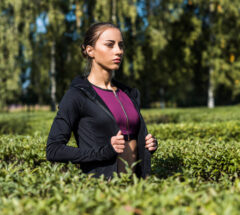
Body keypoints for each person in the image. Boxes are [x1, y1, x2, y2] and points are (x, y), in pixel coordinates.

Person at [46, 22, 158, 179]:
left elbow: (131, 137)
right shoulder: (77, 95)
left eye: (121, 45)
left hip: (137, 188)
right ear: (90, 50)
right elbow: (53, 150)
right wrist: (105, 151)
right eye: (110, 45)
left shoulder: (130, 93)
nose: (118, 51)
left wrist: (148, 145)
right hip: (102, 191)